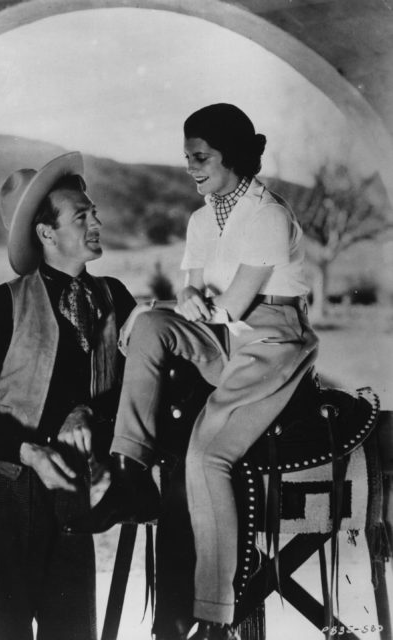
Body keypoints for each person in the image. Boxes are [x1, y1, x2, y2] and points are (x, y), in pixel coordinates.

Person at [88, 104, 319, 639]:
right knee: (148, 331)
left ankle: (214, 611)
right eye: (187, 157)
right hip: (222, 336)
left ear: (231, 156)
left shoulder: (269, 215)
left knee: (207, 455)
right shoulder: (200, 217)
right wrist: (175, 302)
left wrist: (167, 307)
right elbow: (192, 290)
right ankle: (129, 473)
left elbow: (233, 307)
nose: (191, 166)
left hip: (270, 339)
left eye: (201, 157)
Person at [0, 152, 137, 640]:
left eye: (93, 211)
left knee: (73, 631)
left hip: (74, 487)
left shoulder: (115, 297)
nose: (97, 221)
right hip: (4, 492)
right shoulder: (0, 305)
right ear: (47, 234)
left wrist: (88, 416)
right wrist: (30, 449)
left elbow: (135, 390)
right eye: (82, 215)